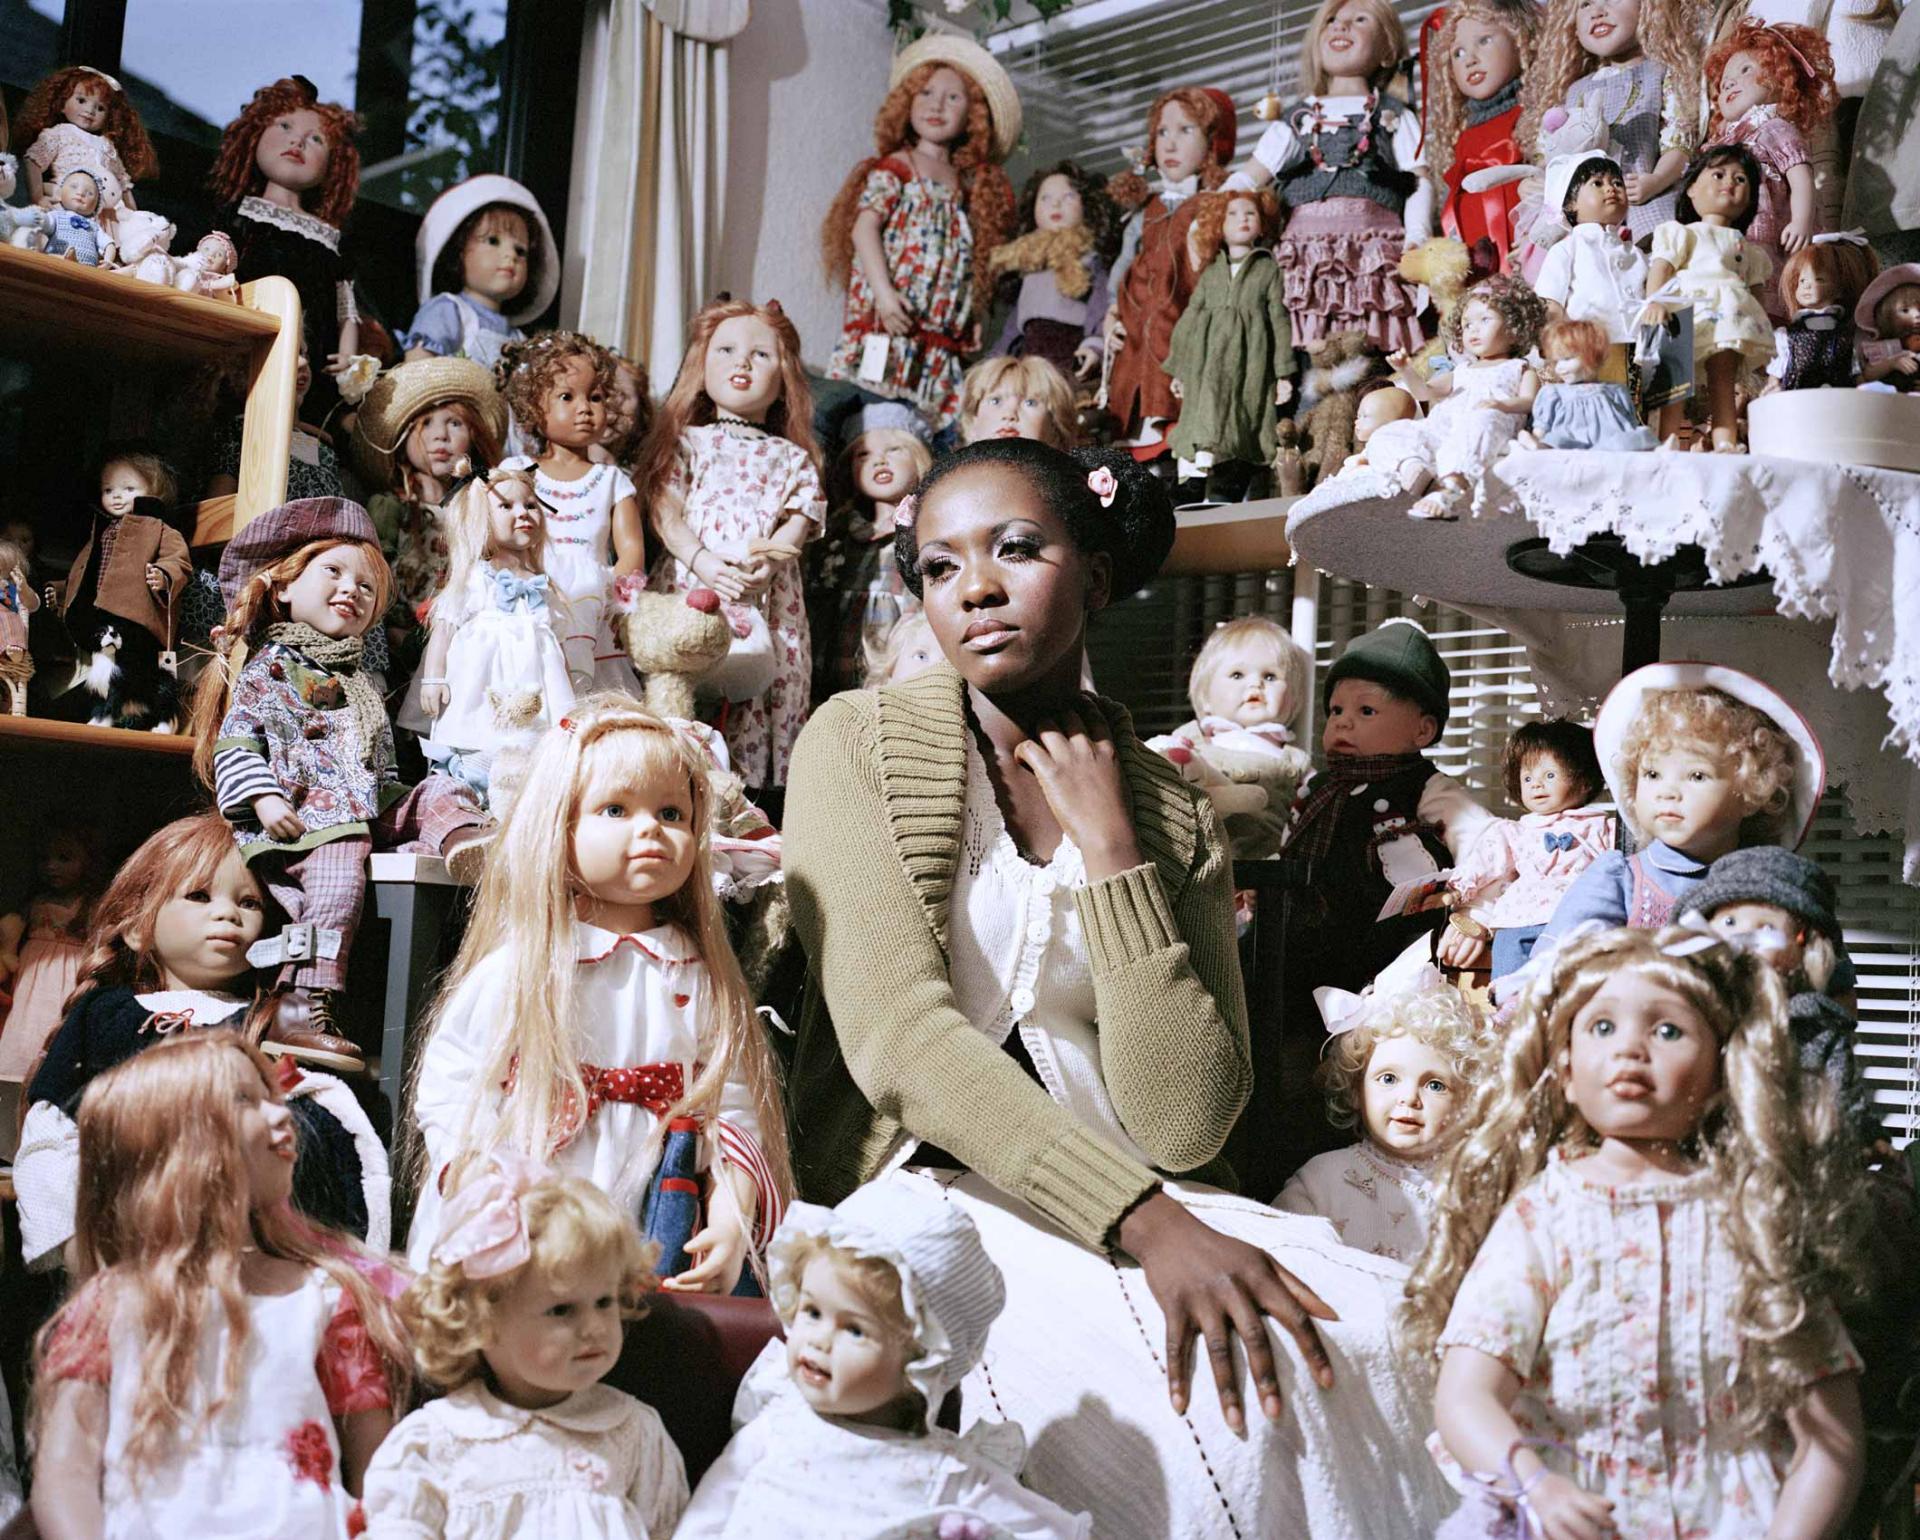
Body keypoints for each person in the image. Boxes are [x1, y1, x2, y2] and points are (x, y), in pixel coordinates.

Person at [784, 438, 1453, 1539]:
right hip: (936, 1200)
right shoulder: (854, 743)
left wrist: (1112, 851)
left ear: (1094, 576)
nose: (977, 588)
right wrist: (1144, 1225)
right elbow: (898, 1039)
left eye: (1015, 548)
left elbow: (1187, 1122)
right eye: (940, 567)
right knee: (1208, 1442)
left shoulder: (1175, 807)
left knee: (1388, 1337)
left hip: (1151, 1197)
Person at [1405, 925, 1867, 1537]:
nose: (1631, 1050)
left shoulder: (1750, 1219)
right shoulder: (1545, 1217)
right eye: (1602, 1027)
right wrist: (1535, 1485)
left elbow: (1832, 1441)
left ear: (1721, 1073)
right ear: (1566, 1070)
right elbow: (1467, 1397)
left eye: (1668, 1030)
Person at [28, 1032, 408, 1540]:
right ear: (168, 1143)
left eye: (275, 1098)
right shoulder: (115, 1305)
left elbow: (378, 1479)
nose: (283, 1115)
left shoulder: (327, 1298)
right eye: (246, 1100)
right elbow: (65, 1477)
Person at [362, 1155, 687, 1538]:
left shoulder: (632, 1433)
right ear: (482, 1321)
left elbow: (672, 1530)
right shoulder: (433, 1443)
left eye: (605, 1302)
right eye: (562, 1310)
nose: (593, 1327)